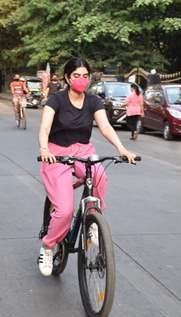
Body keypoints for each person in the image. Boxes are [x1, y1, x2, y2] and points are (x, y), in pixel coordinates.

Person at [37, 57, 136, 276]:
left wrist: (122, 149)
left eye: (85, 76)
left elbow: (106, 127)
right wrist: (45, 150)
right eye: (76, 76)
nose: (81, 80)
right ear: (67, 78)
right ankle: (47, 245)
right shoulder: (56, 100)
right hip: (57, 153)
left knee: (99, 176)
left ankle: (92, 222)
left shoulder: (93, 101)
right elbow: (44, 128)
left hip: (84, 150)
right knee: (64, 210)